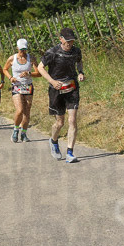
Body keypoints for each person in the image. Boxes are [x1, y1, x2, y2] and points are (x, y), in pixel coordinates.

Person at [37, 28, 85, 163]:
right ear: (61, 39)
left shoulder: (76, 51)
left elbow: (79, 61)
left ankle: (70, 153)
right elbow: (40, 68)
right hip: (56, 90)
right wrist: (52, 81)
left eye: (72, 40)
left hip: (72, 88)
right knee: (60, 123)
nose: (70, 43)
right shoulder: (52, 52)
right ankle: (53, 141)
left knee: (72, 120)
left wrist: (80, 72)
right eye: (67, 40)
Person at [4, 39, 38, 144]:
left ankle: (23, 133)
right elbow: (5, 69)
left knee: (27, 111)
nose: (23, 51)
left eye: (25, 49)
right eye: (21, 49)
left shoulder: (31, 58)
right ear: (17, 48)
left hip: (28, 86)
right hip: (16, 86)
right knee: (19, 110)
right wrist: (10, 78)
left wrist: (29, 73)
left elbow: (39, 73)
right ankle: (15, 130)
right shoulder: (12, 58)